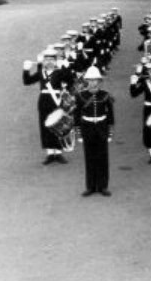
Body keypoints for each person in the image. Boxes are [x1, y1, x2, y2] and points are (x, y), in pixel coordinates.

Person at [74, 66, 115, 196]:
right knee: (89, 158)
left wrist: (109, 133)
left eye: (96, 80)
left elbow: (110, 116)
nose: (93, 82)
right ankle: (90, 186)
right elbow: (76, 116)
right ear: (87, 81)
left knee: (103, 158)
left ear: (99, 81)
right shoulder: (80, 96)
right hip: (87, 128)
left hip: (102, 128)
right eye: (91, 80)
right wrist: (79, 133)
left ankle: (103, 186)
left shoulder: (105, 95)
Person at [23, 49, 67, 164]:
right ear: (44, 61)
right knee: (45, 126)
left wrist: (66, 68)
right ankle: (49, 153)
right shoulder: (41, 73)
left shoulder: (59, 72)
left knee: (58, 125)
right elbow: (27, 81)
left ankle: (58, 153)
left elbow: (70, 81)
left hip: (57, 101)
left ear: (55, 61)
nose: (49, 62)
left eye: (52, 59)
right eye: (46, 60)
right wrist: (26, 70)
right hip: (44, 101)